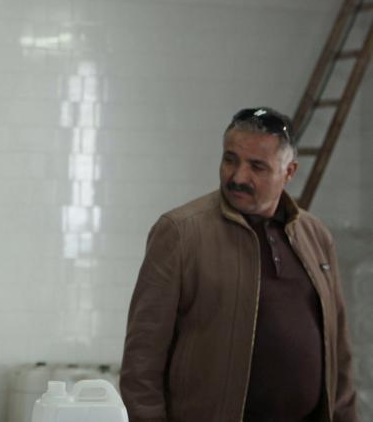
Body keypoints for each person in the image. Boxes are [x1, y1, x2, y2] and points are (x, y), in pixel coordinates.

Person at [119, 107, 359, 422]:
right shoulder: (181, 232)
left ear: (288, 172)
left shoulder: (315, 236)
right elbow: (142, 362)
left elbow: (338, 352)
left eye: (257, 166)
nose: (237, 177)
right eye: (230, 159)